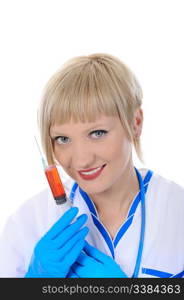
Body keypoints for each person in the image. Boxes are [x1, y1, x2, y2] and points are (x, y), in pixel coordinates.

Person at [0, 53, 184, 278]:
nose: (81, 160)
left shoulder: (176, 209)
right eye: (63, 139)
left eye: (97, 133)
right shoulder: (28, 221)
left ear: (135, 124)